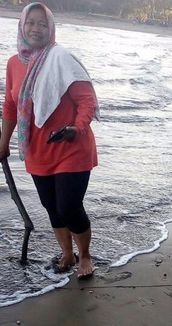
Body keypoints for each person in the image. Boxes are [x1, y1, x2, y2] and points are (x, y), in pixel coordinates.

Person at [0, 2, 99, 279]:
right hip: (37, 151)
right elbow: (10, 106)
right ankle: (67, 254)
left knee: (69, 206)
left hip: (71, 147)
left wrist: (76, 128)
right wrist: (3, 142)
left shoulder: (61, 58)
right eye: (31, 23)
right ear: (22, 25)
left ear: (51, 28)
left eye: (42, 24)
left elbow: (87, 101)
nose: (36, 29)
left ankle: (86, 256)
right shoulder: (13, 63)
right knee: (52, 208)